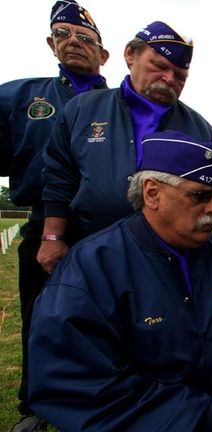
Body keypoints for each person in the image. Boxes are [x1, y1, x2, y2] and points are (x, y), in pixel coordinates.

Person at [28, 130, 212, 431]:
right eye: (200, 196)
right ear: (152, 194)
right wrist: (203, 417)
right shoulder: (91, 270)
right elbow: (74, 388)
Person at [37, 20, 212, 275]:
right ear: (130, 55)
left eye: (180, 76)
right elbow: (59, 177)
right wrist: (52, 238)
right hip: (91, 246)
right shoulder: (82, 109)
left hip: (169, 257)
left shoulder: (199, 127)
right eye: (159, 66)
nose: (169, 78)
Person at [0, 1, 109, 429]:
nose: (73, 43)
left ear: (103, 54)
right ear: (50, 43)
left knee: (107, 317)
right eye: (63, 35)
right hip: (44, 221)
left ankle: (105, 395)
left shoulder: (119, 103)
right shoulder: (22, 95)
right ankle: (36, 404)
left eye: (84, 38)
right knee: (41, 315)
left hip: (105, 225)